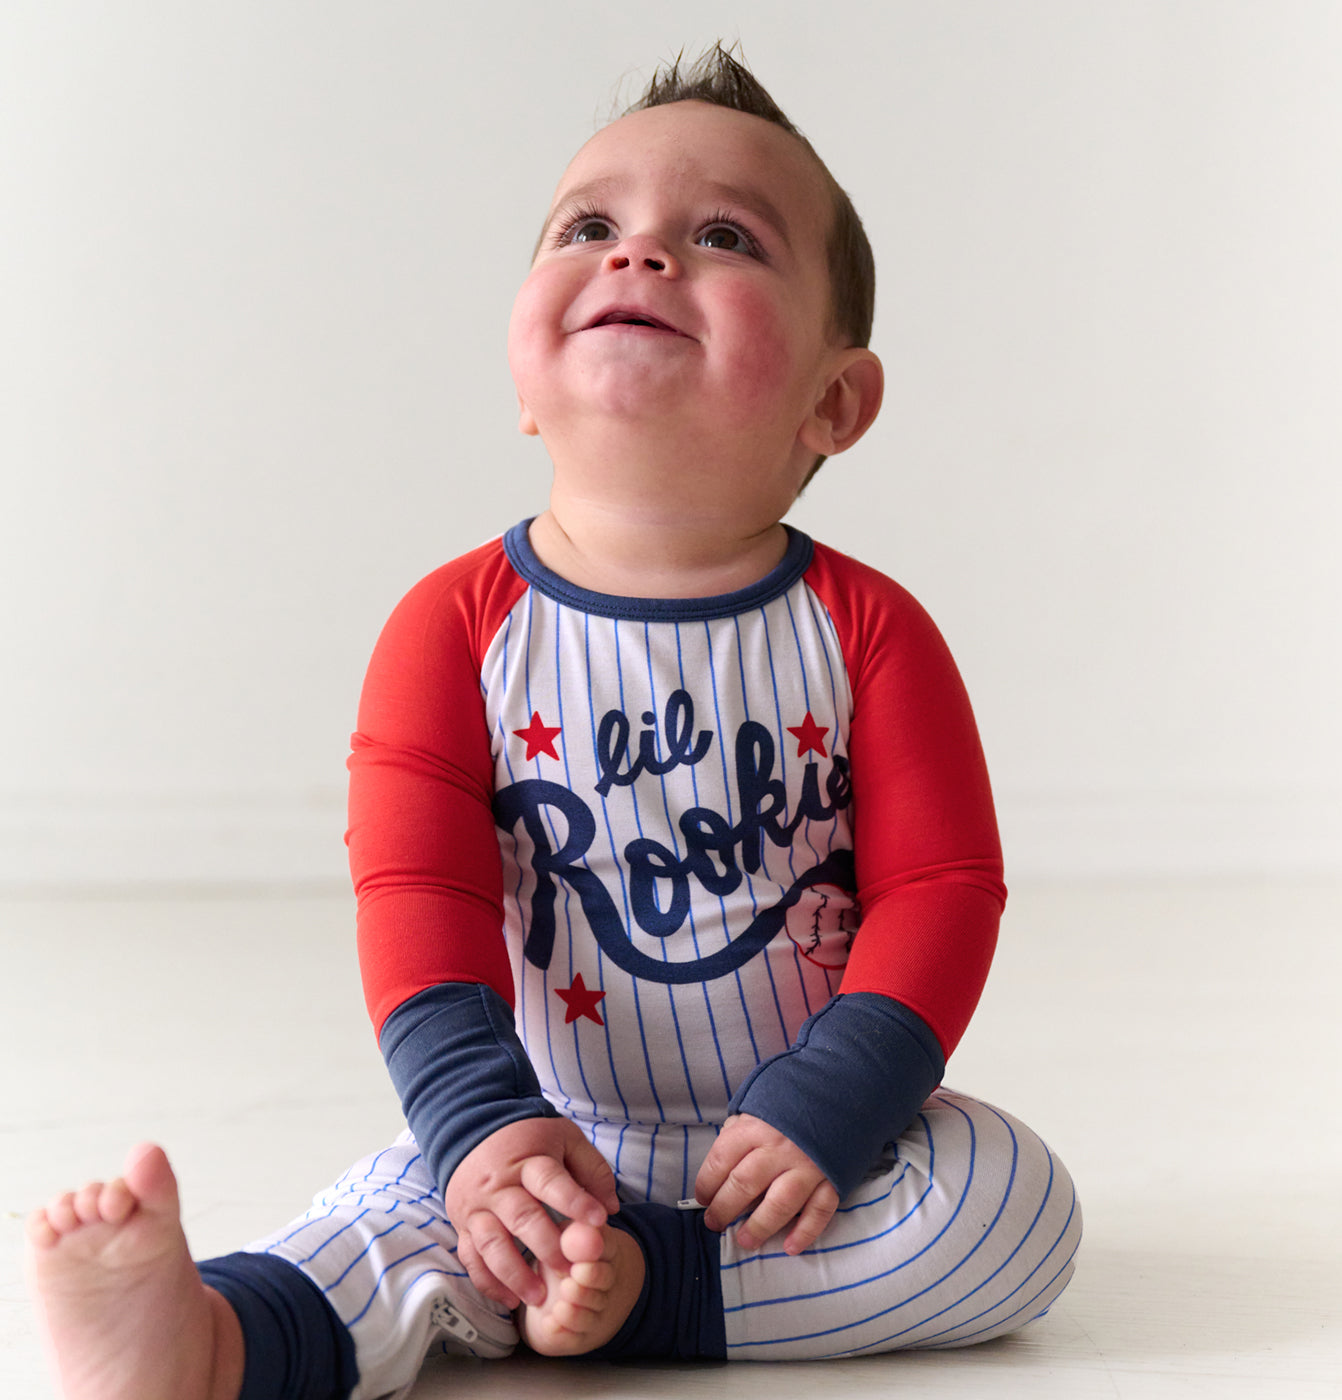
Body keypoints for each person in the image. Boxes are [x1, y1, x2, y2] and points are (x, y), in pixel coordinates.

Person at [26, 45, 1082, 1400]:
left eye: (720, 236)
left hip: (804, 1147)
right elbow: (418, 893)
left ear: (836, 399)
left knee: (1012, 1211)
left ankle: (646, 1290)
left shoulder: (868, 632)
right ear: (525, 382)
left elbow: (944, 889)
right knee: (395, 1224)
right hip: (540, 1126)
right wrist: (480, 1131)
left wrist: (841, 1100)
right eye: (591, 227)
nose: (640, 256)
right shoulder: (455, 626)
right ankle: (207, 1339)